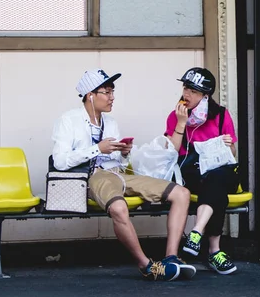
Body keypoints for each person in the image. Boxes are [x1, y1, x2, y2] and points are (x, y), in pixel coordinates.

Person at [51, 68, 195, 281]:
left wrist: (124, 153)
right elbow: (60, 162)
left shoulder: (110, 123)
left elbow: (118, 162)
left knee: (181, 193)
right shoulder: (68, 120)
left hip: (118, 173)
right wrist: (97, 149)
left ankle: (171, 258)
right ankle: (147, 266)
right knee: (119, 207)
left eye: (112, 91)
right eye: (106, 92)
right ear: (90, 96)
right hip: (92, 177)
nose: (112, 97)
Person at [165, 67, 240, 275]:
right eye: (185, 88)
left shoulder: (221, 115)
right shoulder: (175, 116)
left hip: (219, 169)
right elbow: (171, 151)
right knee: (217, 192)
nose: (186, 94)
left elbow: (231, 152)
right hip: (192, 172)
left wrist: (228, 144)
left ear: (205, 95)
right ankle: (215, 250)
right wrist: (181, 123)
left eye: (193, 91)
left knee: (217, 177)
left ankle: (196, 232)